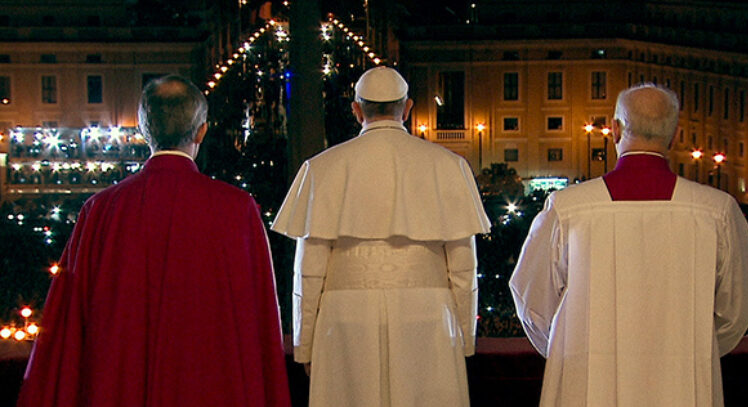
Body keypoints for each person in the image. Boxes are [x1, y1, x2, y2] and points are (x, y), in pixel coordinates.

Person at [17, 75, 291, 407]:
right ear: (202, 130)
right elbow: (258, 317)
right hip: (211, 387)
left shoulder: (101, 210)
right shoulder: (236, 208)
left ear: (145, 131)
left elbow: (69, 321)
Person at [510, 84, 748, 407]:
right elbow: (737, 307)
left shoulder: (567, 208)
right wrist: (695, 345)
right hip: (683, 379)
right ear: (674, 134)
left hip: (588, 380)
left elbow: (532, 298)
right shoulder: (716, 211)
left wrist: (570, 347)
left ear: (615, 130)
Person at [271, 67, 490, 407]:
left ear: (356, 110)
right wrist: (464, 338)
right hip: (428, 314)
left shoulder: (321, 168)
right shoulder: (448, 165)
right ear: (408, 108)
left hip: (344, 319)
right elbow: (463, 267)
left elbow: (308, 270)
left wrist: (306, 345)